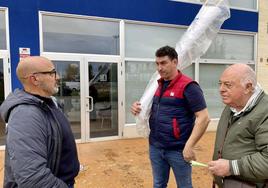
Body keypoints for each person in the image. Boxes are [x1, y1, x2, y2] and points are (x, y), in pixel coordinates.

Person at [131, 46, 210, 188]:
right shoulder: (157, 85)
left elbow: (204, 118)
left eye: (163, 63)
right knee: (158, 184)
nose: (159, 68)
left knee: (184, 186)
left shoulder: (189, 86)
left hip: (178, 150)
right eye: (157, 63)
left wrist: (189, 146)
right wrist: (137, 108)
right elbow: (150, 108)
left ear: (175, 62)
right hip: (155, 147)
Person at [0, 56, 80, 188]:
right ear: (35, 79)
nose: (58, 77)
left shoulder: (49, 102)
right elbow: (32, 178)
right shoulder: (25, 115)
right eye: (52, 73)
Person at [208, 64, 268, 188]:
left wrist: (231, 167)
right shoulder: (232, 106)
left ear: (248, 87)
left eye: (228, 85)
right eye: (220, 83)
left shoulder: (265, 112)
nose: (221, 89)